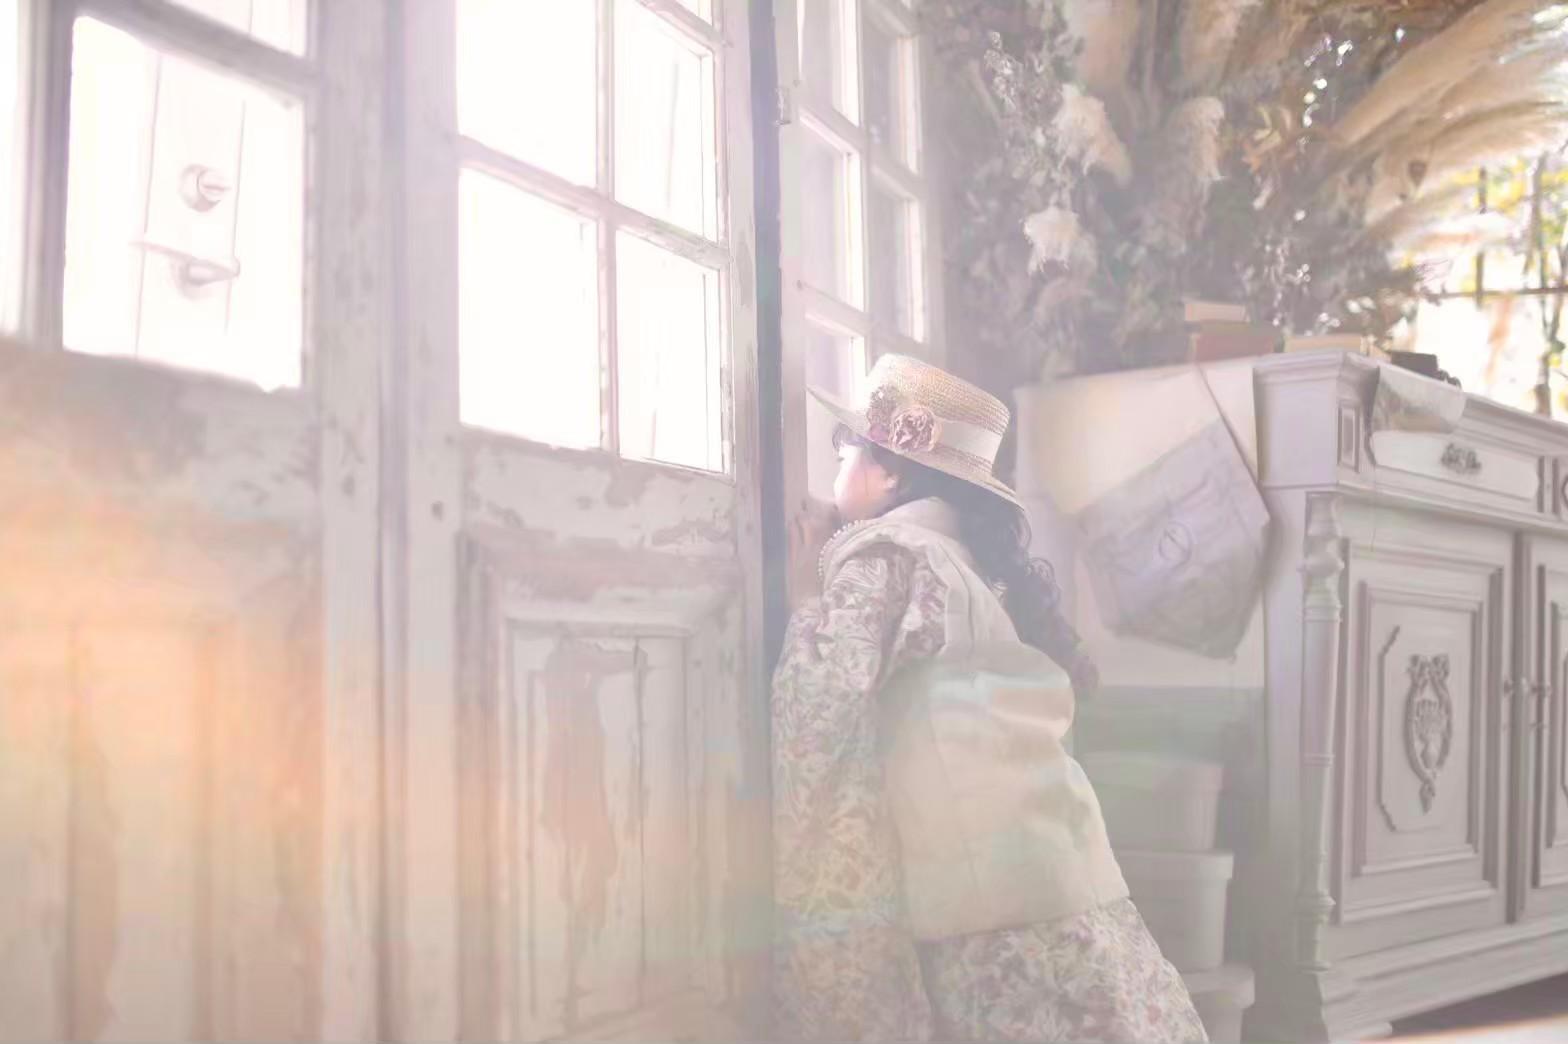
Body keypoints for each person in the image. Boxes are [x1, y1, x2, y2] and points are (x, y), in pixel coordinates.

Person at [772, 354, 1207, 1042]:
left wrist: (804, 595)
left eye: (845, 454)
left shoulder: (886, 555)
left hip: (979, 884)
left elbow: (821, 699)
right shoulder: (964, 563)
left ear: (890, 472)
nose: (833, 476)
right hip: (1061, 854)